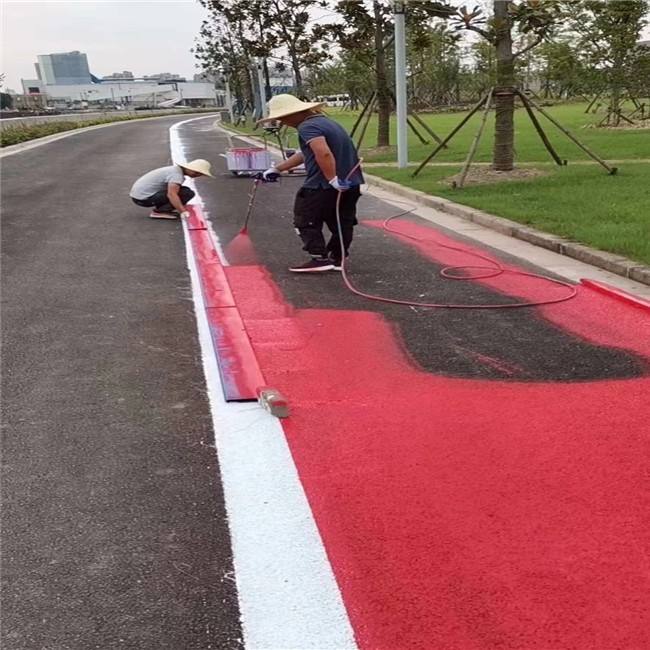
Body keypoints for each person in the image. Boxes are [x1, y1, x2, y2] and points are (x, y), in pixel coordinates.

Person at [258, 94, 363, 273]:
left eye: (283, 118)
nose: (283, 122)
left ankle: (319, 258)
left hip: (322, 186)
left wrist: (332, 179)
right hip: (350, 183)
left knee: (305, 218)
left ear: (294, 113)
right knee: (340, 221)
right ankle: (337, 258)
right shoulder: (327, 122)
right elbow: (306, 153)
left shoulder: (307, 126)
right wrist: (277, 169)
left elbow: (323, 153)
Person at [129, 159, 214, 219]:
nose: (197, 175)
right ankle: (159, 212)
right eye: (197, 173)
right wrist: (183, 211)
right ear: (191, 169)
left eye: (200, 174)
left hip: (141, 196)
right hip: (143, 199)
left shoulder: (174, 170)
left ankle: (162, 209)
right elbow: (172, 194)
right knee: (186, 193)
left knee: (184, 190)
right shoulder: (176, 175)